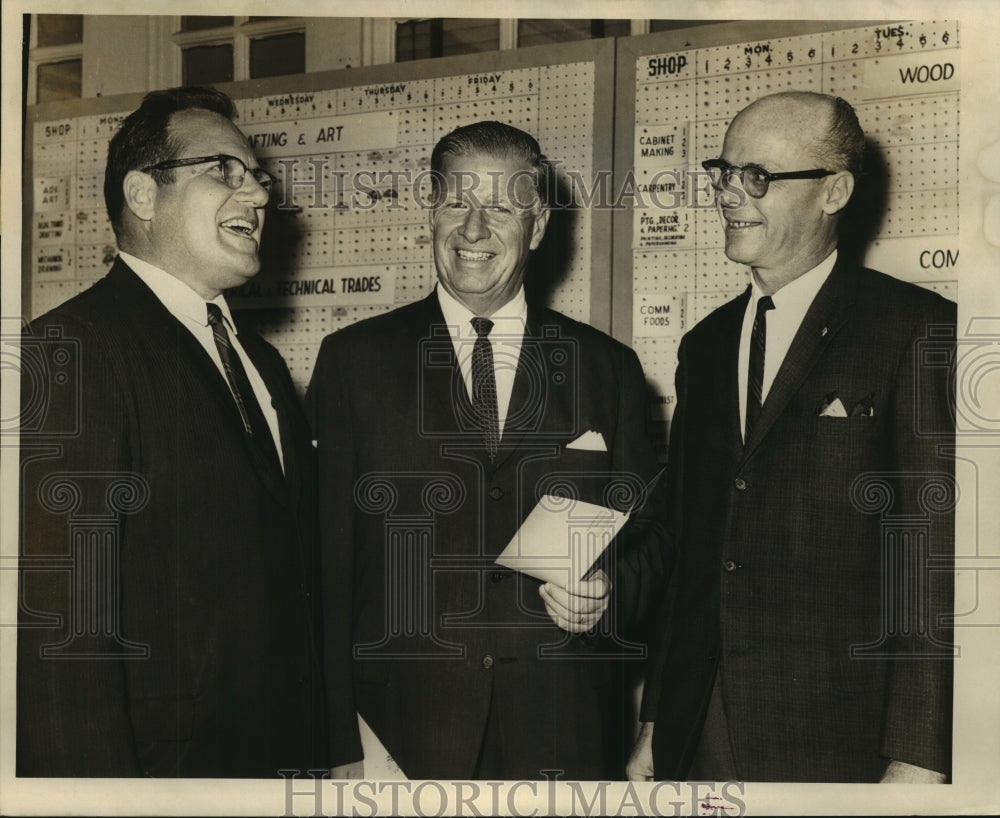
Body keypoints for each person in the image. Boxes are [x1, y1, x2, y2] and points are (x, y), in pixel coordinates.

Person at [307, 120, 669, 780]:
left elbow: (654, 533)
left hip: (564, 733)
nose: (473, 231)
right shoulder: (353, 362)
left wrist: (608, 595)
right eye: (456, 203)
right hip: (399, 737)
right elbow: (322, 565)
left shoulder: (607, 368)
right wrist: (339, 743)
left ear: (538, 226)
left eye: (500, 208)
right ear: (431, 212)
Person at [627, 91, 955, 783]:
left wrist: (920, 756)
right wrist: (656, 723)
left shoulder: (915, 330)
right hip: (699, 728)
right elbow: (690, 550)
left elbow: (934, 562)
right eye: (723, 172)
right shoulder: (704, 346)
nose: (728, 194)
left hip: (841, 739)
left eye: (757, 176)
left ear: (834, 191)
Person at [17, 86, 340, 777]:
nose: (257, 194)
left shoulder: (262, 363)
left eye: (257, 177)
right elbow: (62, 628)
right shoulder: (71, 350)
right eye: (223, 169)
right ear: (142, 194)